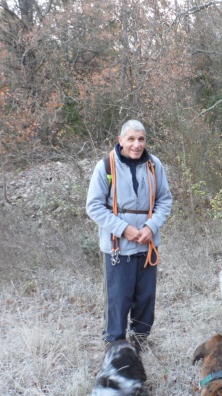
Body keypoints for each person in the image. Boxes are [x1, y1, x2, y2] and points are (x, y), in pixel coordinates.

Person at [86, 120, 173, 346]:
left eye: (141, 139)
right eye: (131, 139)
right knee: (117, 301)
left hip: (147, 247)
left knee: (145, 299)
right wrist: (124, 229)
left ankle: (139, 344)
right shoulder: (105, 167)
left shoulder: (155, 165)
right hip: (118, 249)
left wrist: (150, 227)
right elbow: (93, 206)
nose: (137, 144)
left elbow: (165, 200)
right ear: (121, 140)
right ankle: (114, 351)